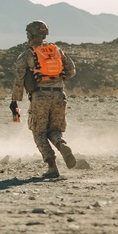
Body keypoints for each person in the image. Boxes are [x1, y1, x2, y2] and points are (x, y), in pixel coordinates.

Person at [10, 19, 79, 178]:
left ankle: (52, 167)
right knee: (54, 130)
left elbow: (19, 80)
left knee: (39, 132)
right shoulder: (56, 50)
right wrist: (57, 77)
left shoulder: (27, 54)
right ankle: (61, 145)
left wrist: (14, 101)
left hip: (39, 96)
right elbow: (71, 71)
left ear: (31, 34)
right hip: (59, 94)